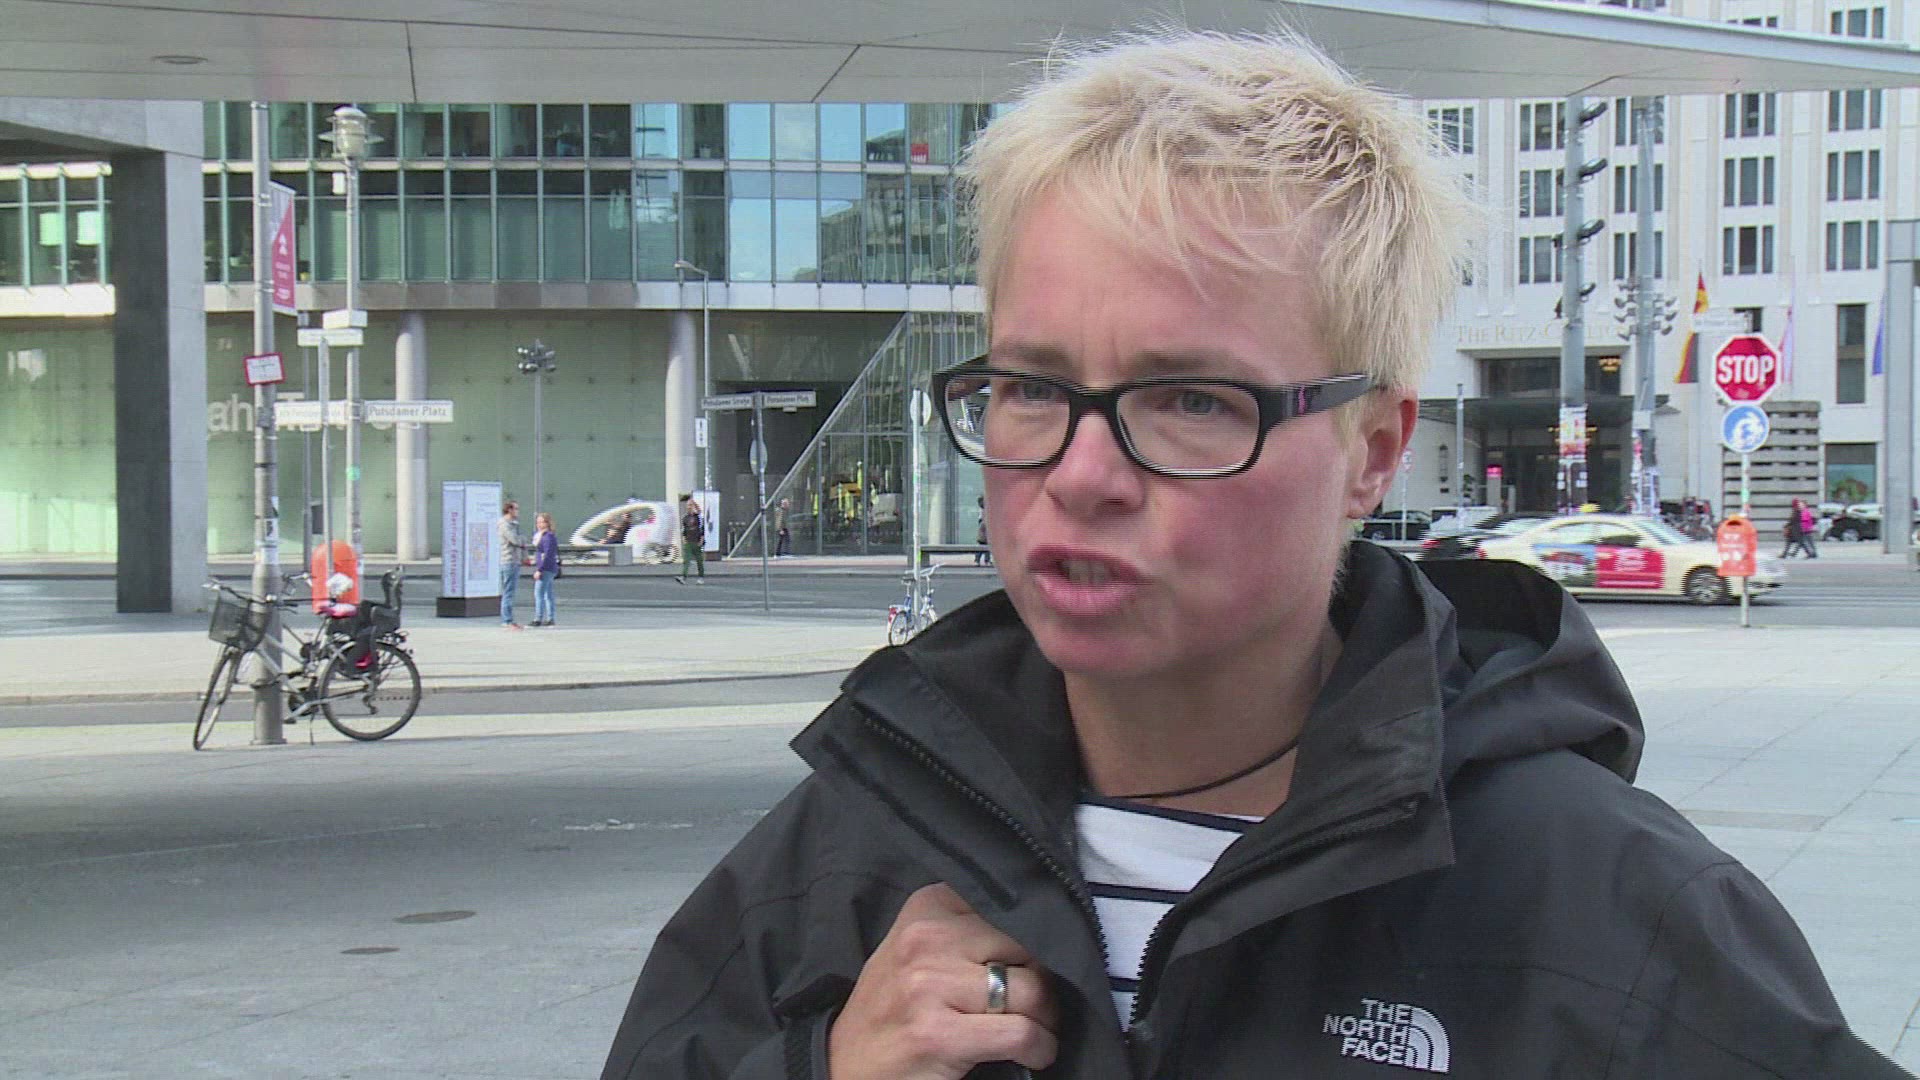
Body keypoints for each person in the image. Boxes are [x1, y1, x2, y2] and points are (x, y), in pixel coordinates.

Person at [601, 30, 1909, 1080]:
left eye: (1190, 400)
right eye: (1034, 387)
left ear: (1372, 451)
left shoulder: (1606, 920)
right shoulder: (844, 854)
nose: (1081, 473)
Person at [497, 500, 526, 629]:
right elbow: (515, 540)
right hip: (508, 560)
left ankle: (508, 619)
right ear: (509, 510)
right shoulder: (505, 524)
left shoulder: (514, 524)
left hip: (515, 560)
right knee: (508, 592)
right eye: (516, 509)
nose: (518, 511)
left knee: (510, 591)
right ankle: (507, 620)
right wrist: (522, 539)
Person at [531, 511, 560, 627]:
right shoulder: (543, 536)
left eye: (542, 522)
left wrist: (540, 569)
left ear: (547, 523)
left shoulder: (548, 537)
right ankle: (550, 618)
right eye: (538, 522)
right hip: (549, 567)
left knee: (539, 593)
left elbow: (547, 554)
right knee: (548, 594)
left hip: (546, 568)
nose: (539, 525)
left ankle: (538, 618)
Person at [676, 494, 705, 585]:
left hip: (697, 541)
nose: (689, 507)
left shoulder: (698, 517)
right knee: (686, 560)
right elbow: (684, 529)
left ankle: (701, 577)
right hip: (688, 541)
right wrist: (684, 539)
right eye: (688, 505)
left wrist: (701, 539)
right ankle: (683, 577)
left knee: (699, 561)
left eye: (690, 505)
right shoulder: (685, 518)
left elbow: (702, 528)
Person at [974, 494, 992, 566]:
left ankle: (985, 560)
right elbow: (982, 521)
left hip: (986, 529)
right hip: (984, 529)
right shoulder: (983, 511)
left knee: (986, 546)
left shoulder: (985, 510)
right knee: (983, 545)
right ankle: (979, 560)